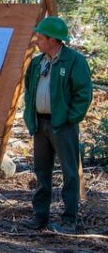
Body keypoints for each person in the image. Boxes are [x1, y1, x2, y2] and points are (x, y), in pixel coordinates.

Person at [22, 16, 93, 234]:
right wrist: (30, 116)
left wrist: (69, 118)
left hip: (63, 126)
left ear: (53, 40)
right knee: (42, 172)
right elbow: (29, 91)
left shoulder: (74, 61)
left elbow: (84, 94)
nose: (36, 41)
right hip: (40, 125)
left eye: (40, 37)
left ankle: (68, 220)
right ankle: (40, 217)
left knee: (70, 173)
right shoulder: (36, 62)